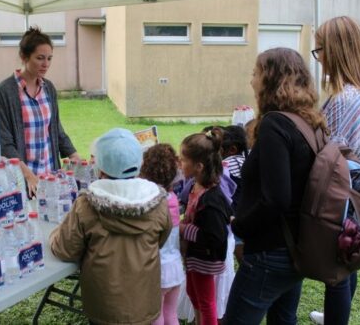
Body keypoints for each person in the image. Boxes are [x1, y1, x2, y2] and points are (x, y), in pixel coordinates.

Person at [224, 47, 326, 325]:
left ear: (272, 79)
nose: (251, 80)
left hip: (271, 252)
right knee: (283, 319)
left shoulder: (275, 126)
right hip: (296, 247)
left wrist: (239, 225)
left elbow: (277, 199)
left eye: (255, 73)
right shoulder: (309, 122)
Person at [49, 128, 172, 325]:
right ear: (139, 164)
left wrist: (54, 233)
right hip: (144, 301)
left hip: (104, 306)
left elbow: (65, 249)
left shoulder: (87, 204)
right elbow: (161, 240)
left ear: (100, 168)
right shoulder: (158, 201)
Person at [309, 16, 360, 325]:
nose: (318, 58)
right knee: (347, 259)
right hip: (350, 188)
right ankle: (336, 316)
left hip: (340, 190)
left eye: (319, 50)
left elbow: (331, 152)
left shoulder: (345, 99)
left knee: (336, 269)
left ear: (335, 51)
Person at [0, 26, 79, 197]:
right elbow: (4, 143)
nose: (45, 64)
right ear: (24, 57)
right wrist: (28, 176)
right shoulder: (5, 91)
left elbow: (55, 129)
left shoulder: (49, 88)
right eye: (40, 58)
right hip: (22, 179)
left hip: (50, 176)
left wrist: (74, 155)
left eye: (49, 58)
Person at [179, 128, 232, 325]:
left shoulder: (212, 199)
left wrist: (183, 229)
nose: (180, 163)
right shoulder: (196, 186)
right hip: (195, 255)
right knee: (193, 293)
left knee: (206, 301)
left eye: (183, 160)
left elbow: (214, 236)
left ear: (199, 166)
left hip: (205, 258)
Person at [140, 143, 185, 325]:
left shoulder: (150, 201)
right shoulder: (173, 198)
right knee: (171, 314)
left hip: (157, 270)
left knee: (155, 316)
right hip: (175, 267)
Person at [221, 125, 248, 265]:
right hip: (248, 211)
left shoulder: (226, 164)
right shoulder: (246, 160)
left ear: (232, 149)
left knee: (238, 244)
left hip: (233, 214)